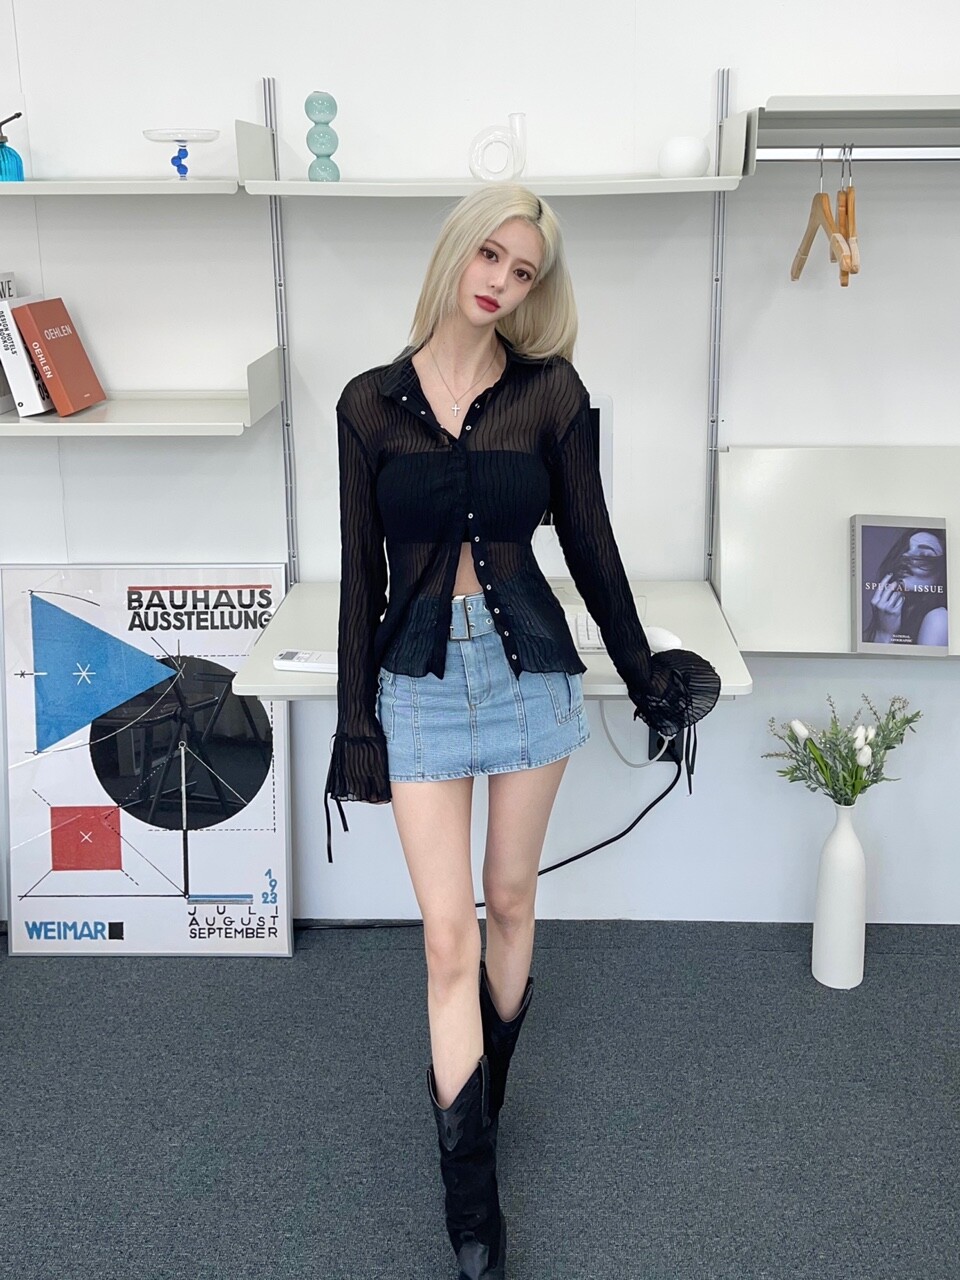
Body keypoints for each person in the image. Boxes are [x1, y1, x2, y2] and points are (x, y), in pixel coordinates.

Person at [323, 184, 719, 1279]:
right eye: (489, 254)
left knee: (509, 901)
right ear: (457, 252)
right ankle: (474, 1211)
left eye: (524, 269)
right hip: (416, 682)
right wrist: (356, 724)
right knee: (446, 938)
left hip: (530, 674)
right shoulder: (366, 405)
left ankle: (484, 1097)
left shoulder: (551, 395)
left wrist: (643, 676)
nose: (500, 280)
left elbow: (592, 545)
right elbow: (361, 578)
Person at [865, 528, 948, 646]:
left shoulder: (938, 618)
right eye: (905, 550)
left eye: (925, 555)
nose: (905, 555)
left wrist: (884, 634)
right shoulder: (902, 615)